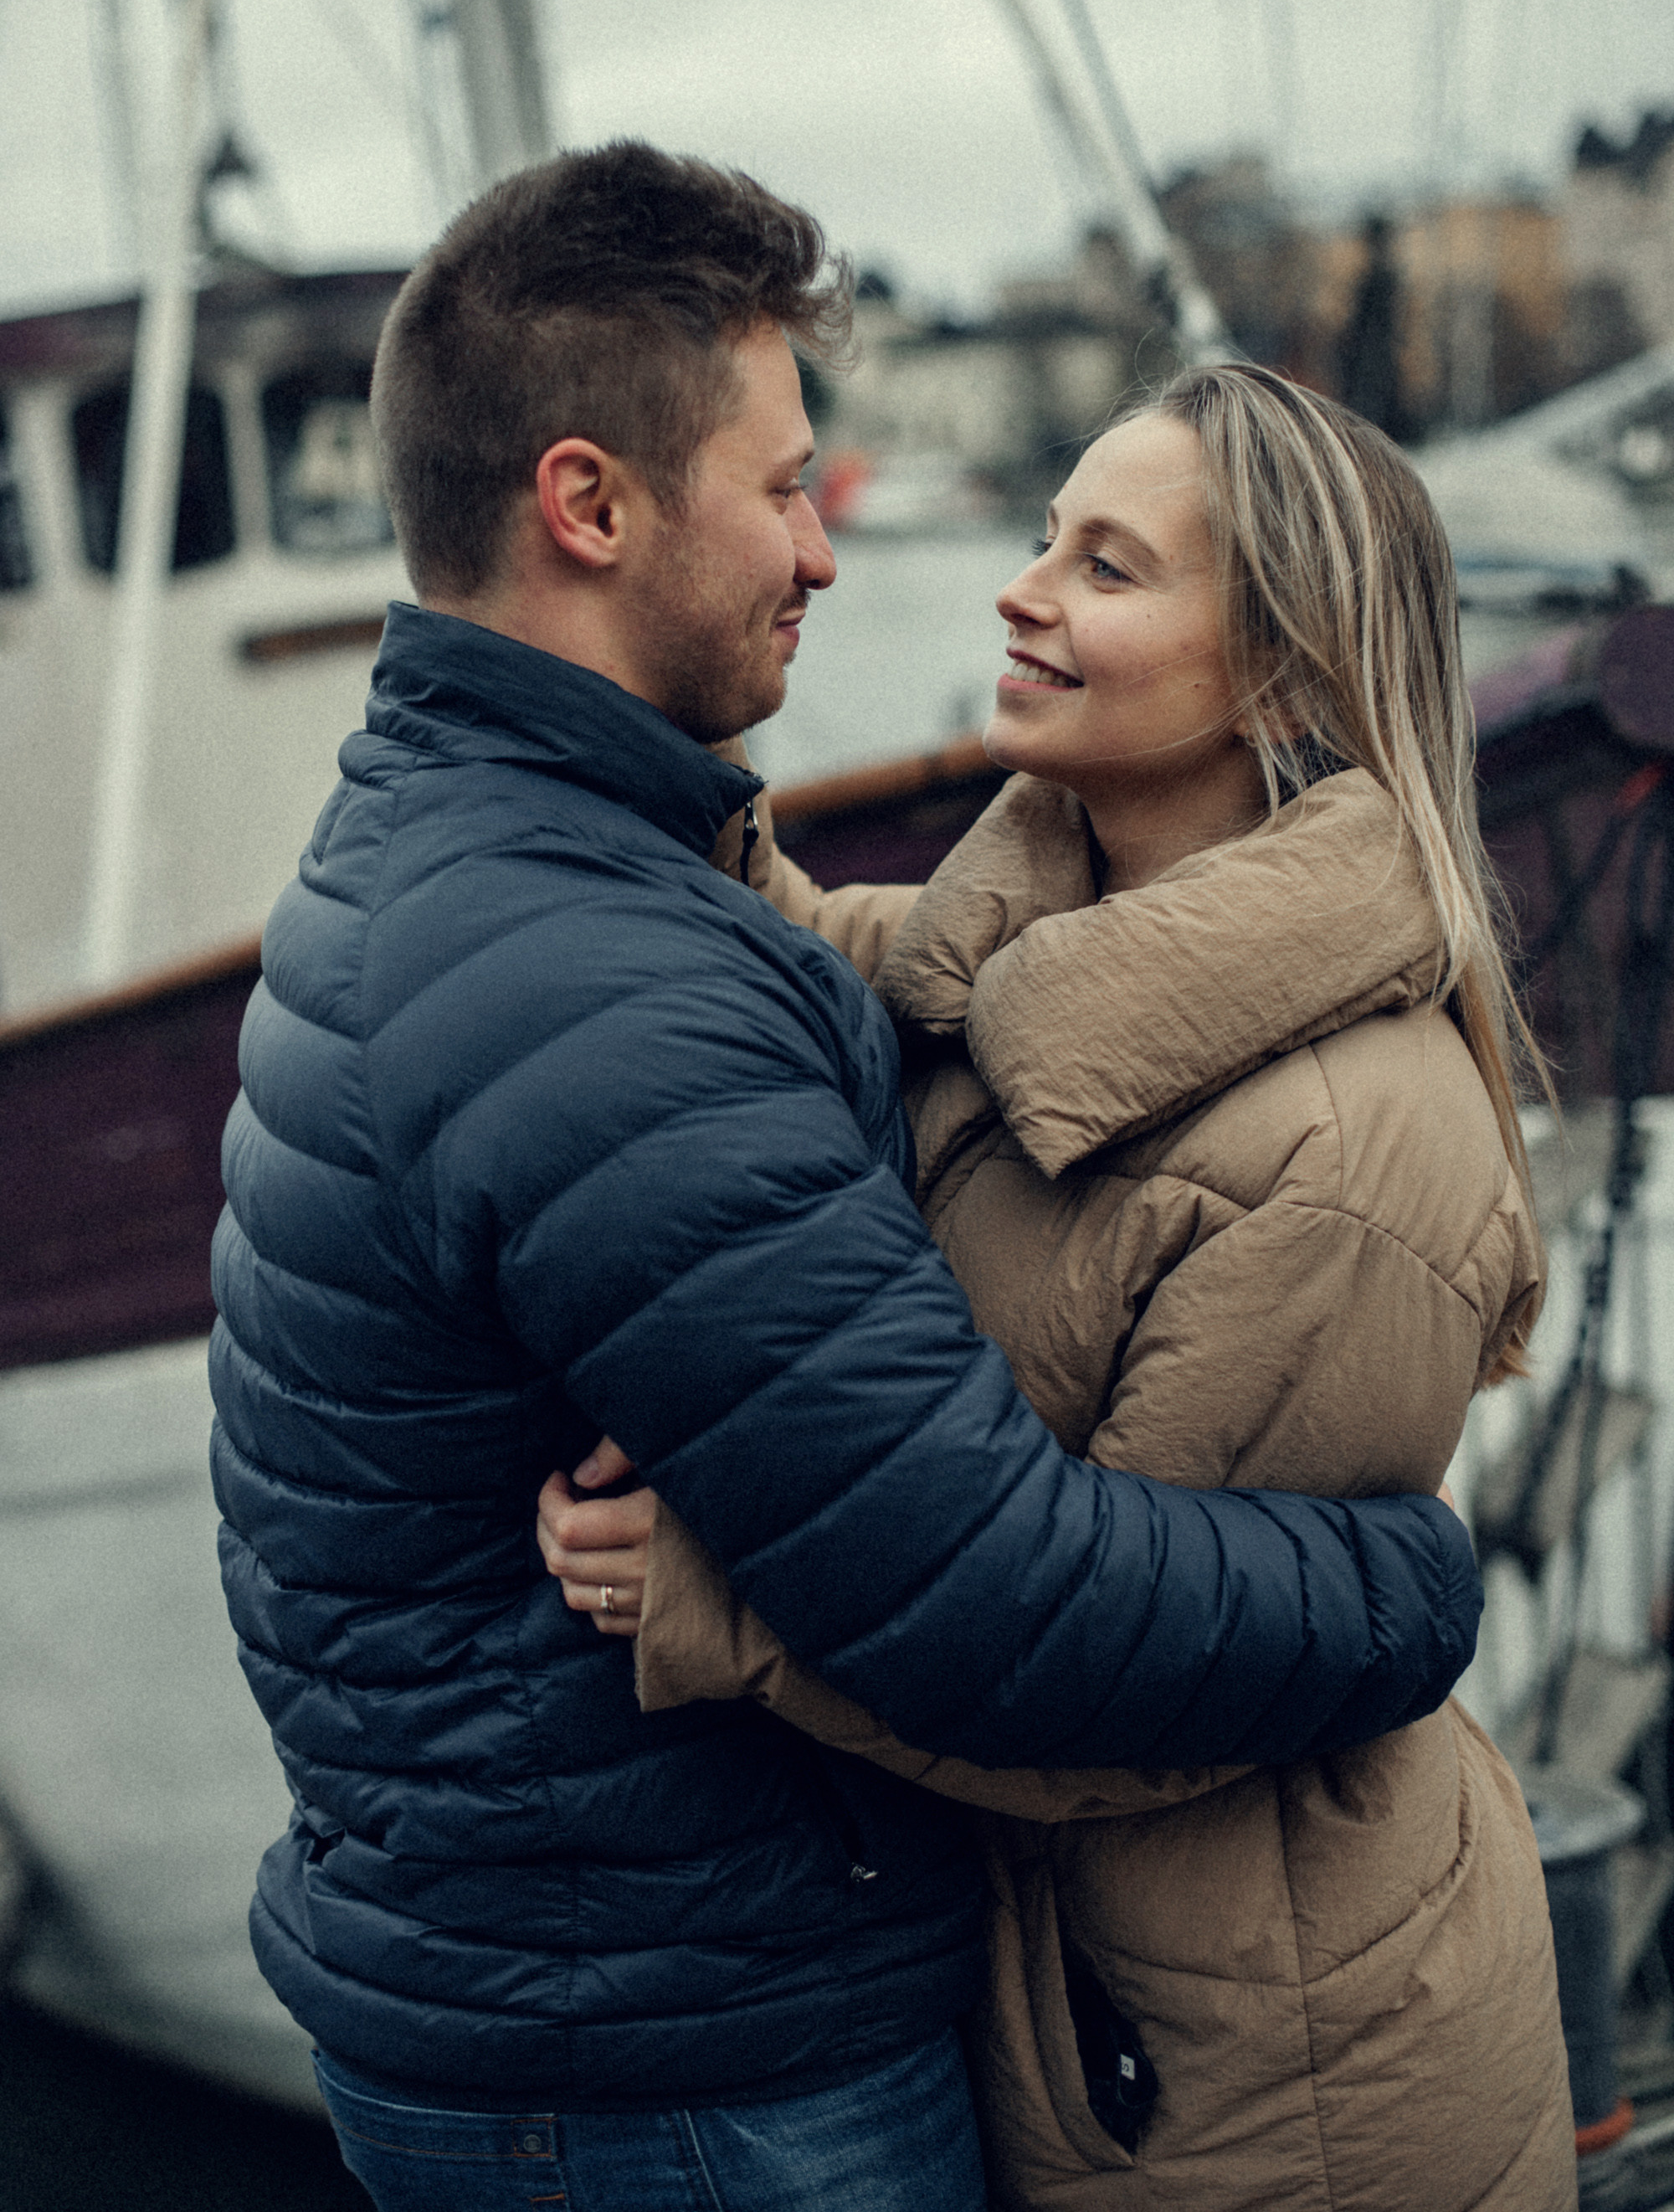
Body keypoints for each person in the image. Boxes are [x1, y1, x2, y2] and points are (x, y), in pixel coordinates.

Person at [210, 145, 1487, 2212]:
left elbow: (897, 985)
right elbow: (988, 1606)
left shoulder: (495, 867)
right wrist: (1423, 1585)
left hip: (609, 1999)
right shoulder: (596, 979)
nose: (834, 541)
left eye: (1107, 560)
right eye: (785, 481)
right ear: (589, 503)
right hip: (679, 2065)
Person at [555, 362, 1576, 2209]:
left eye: (1104, 567)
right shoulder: (1034, 955)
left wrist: (723, 1605)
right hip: (1093, 2016)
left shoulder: (1350, 1163)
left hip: (1274, 2083)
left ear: (1276, 676)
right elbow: (804, 937)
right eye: (1043, 537)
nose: (1021, 589)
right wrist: (617, 712)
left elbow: (1133, 1674)